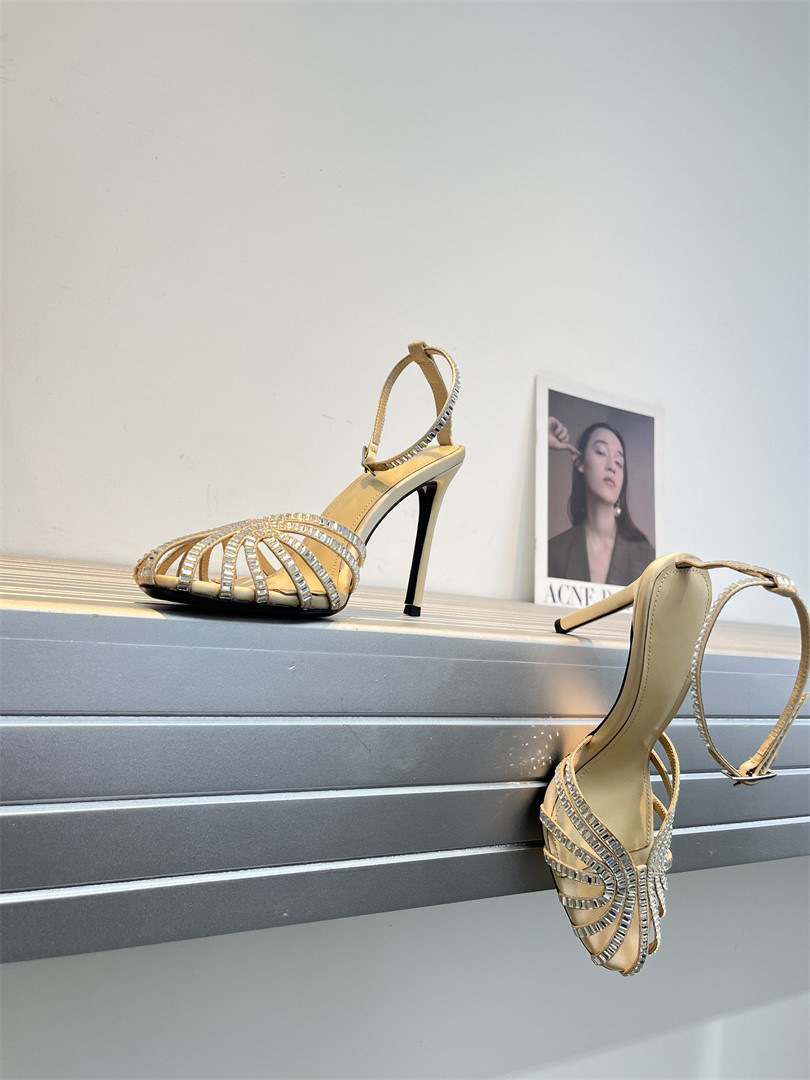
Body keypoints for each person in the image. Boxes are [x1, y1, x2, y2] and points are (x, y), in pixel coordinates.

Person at [547, 418, 654, 585]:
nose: (612, 466)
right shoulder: (553, 552)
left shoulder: (646, 558)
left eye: (619, 463)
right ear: (580, 463)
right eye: (601, 452)